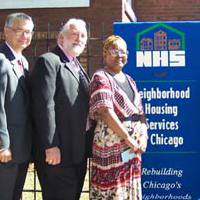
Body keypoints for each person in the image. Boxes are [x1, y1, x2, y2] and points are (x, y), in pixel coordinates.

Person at [29, 18, 93, 200]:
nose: (79, 39)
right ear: (61, 38)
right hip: (57, 154)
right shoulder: (49, 62)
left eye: (83, 36)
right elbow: (44, 106)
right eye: (74, 34)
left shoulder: (76, 64)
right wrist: (51, 145)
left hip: (77, 152)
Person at [89, 35, 148, 200]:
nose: (119, 55)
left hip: (133, 147)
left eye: (122, 51)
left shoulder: (130, 80)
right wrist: (128, 138)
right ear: (105, 54)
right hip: (111, 143)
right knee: (113, 190)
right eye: (114, 51)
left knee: (130, 186)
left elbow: (140, 114)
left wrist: (143, 137)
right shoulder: (101, 77)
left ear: (127, 55)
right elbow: (105, 112)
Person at [0, 12, 34, 200]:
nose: (24, 36)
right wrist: (2, 145)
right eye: (19, 31)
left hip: (20, 148)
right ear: (6, 31)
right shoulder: (1, 60)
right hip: (6, 151)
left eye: (28, 32)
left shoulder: (23, 62)